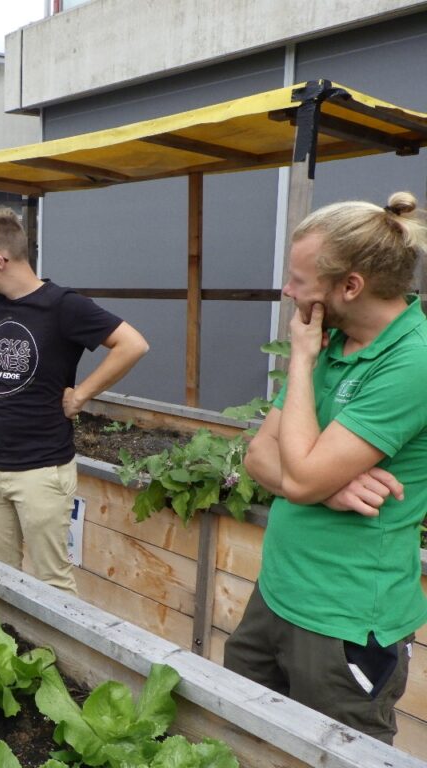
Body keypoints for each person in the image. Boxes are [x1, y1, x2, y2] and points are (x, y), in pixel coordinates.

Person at [225, 192, 427, 743]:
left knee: (332, 754)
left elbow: (300, 475)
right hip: (277, 594)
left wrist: (303, 362)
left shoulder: (412, 361)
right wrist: (326, 487)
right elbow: (260, 456)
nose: (288, 291)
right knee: (237, 738)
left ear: (351, 286)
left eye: (298, 279)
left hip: (344, 621)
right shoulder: (332, 339)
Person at [0, 206, 149, 594]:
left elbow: (133, 344)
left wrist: (81, 396)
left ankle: (52, 656)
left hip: (42, 471)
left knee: (51, 584)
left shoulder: (63, 305)